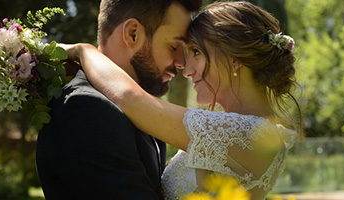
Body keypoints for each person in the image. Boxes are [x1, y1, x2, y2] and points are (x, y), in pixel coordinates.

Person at [61, 1, 302, 200]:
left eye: (195, 52)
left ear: (234, 58)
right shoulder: (246, 130)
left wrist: (84, 51)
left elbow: (130, 99)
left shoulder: (250, 134)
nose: (185, 70)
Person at [35, 0, 202, 199]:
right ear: (133, 33)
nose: (182, 63)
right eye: (174, 46)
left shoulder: (142, 112)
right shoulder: (87, 109)